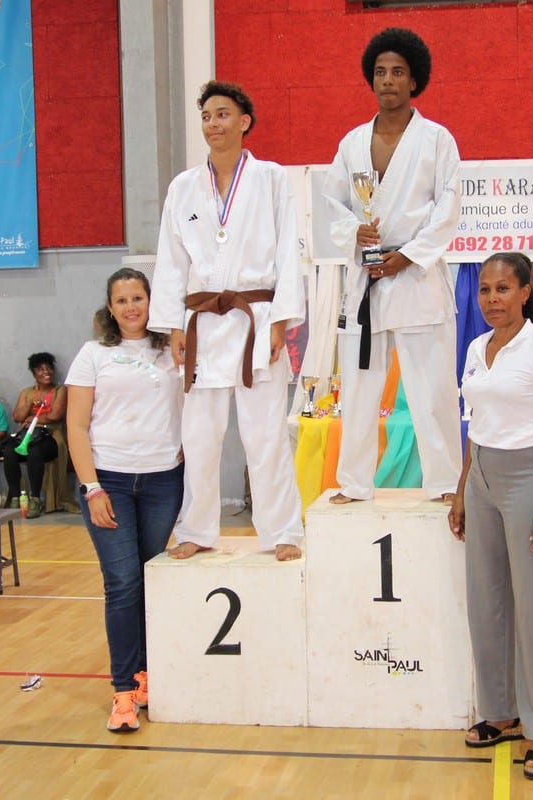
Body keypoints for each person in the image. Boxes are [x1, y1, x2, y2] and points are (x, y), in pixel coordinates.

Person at [148, 80, 305, 562]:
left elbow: (288, 251)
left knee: (266, 435)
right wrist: (173, 325)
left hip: (256, 318)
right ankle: (196, 528)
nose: (213, 124)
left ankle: (283, 531)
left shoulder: (272, 178)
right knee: (198, 436)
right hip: (202, 323)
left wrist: (281, 321)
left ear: (244, 122)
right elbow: (171, 260)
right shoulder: (183, 187)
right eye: (206, 116)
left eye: (222, 114)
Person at [447, 252, 533, 782]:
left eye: (503, 288)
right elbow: (475, 423)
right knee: (487, 601)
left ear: (525, 292)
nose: (492, 299)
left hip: (531, 476)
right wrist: (462, 490)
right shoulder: (476, 348)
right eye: (485, 289)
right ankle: (500, 713)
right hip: (482, 475)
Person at [321, 27, 462, 506]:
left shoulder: (437, 140)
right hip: (367, 277)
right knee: (359, 385)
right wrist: (354, 234)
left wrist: (409, 255)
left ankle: (445, 482)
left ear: (414, 80)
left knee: (432, 387)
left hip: (416, 276)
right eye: (380, 72)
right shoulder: (352, 143)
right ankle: (354, 483)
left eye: (398, 72)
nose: (388, 80)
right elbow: (333, 204)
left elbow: (448, 209)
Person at [66, 267, 184, 733]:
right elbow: (76, 426)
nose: (131, 307)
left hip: (163, 482)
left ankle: (146, 676)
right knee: (122, 583)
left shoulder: (173, 350)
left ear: (152, 302)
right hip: (109, 482)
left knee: (149, 582)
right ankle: (122, 691)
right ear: (110, 309)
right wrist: (92, 487)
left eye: (138, 298)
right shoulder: (92, 355)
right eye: (122, 300)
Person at [1, 352, 68, 518]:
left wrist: (32, 418)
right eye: (41, 369)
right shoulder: (27, 392)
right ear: (34, 374)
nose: (46, 372)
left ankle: (36, 499)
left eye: (49, 368)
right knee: (9, 451)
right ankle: (15, 497)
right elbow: (17, 417)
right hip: (28, 435)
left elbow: (55, 415)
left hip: (51, 435)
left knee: (35, 452)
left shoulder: (60, 390)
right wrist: (30, 403)